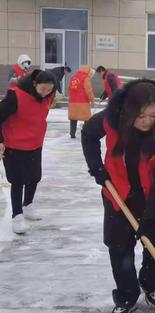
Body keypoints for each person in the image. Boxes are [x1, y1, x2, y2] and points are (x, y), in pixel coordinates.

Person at [81, 79, 155, 313]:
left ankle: (150, 283)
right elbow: (88, 134)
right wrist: (97, 168)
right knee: (119, 250)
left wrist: (149, 218)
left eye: (152, 116)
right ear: (128, 111)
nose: (147, 121)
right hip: (118, 197)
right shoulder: (112, 117)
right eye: (140, 116)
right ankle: (127, 296)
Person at [0, 70, 56, 234]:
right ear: (34, 84)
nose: (45, 93)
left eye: (49, 90)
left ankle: (28, 205)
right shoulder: (15, 96)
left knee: (34, 177)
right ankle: (17, 217)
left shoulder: (47, 96)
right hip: (15, 146)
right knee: (18, 181)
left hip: (35, 144)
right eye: (42, 89)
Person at [68, 65, 95, 139]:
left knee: (73, 118)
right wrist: (92, 99)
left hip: (72, 101)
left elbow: (69, 89)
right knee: (87, 119)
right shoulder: (86, 78)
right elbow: (88, 91)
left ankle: (72, 134)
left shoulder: (73, 77)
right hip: (83, 102)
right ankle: (86, 132)